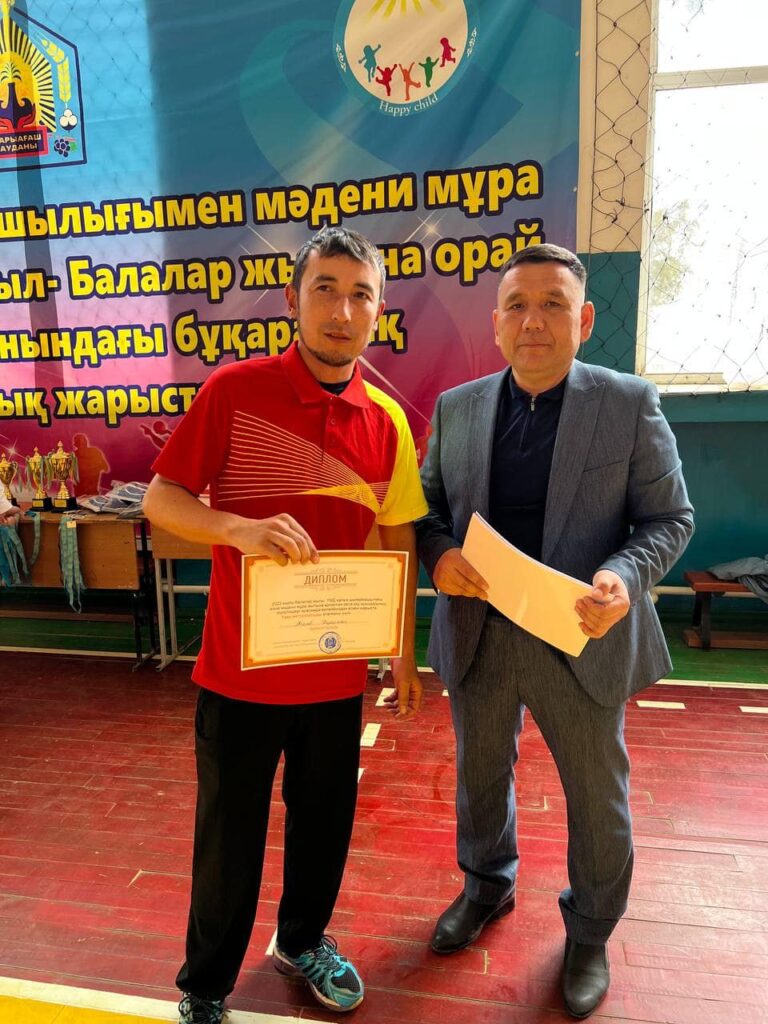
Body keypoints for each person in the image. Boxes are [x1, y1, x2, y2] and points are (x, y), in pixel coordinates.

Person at [143, 227, 427, 1024]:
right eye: (325, 290)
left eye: (361, 294)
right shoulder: (235, 391)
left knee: (324, 826)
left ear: (379, 310)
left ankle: (302, 942)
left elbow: (397, 536)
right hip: (240, 674)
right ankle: (205, 986)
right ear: (293, 301)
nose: (343, 310)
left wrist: (403, 652)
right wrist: (237, 529)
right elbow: (163, 500)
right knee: (229, 841)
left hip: (335, 672)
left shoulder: (386, 421)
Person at [415, 243, 693, 1019]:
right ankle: (486, 886)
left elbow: (670, 519)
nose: (533, 321)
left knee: (597, 795)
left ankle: (591, 931)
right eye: (518, 305)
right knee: (480, 777)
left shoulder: (629, 403)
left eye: (553, 305)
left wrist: (624, 577)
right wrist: (438, 556)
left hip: (581, 635)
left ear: (585, 319)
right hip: (480, 632)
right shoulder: (458, 407)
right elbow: (427, 511)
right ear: (496, 322)